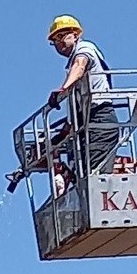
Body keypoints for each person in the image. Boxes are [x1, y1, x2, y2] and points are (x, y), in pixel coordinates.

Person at [46, 15, 121, 174]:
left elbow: (80, 66)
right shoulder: (72, 76)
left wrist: (62, 89)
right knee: (81, 173)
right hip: (87, 124)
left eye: (62, 36)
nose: (59, 44)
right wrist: (58, 138)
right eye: (54, 41)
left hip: (100, 119)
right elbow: (74, 115)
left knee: (93, 176)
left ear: (76, 34)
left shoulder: (85, 49)